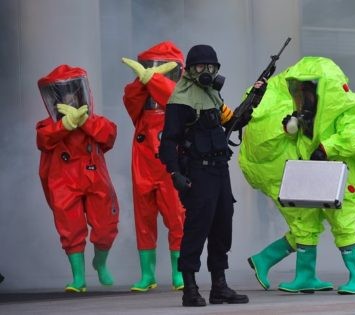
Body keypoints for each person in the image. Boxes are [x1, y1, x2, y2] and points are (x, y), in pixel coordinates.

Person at [240, 56, 355, 294]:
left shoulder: (345, 111)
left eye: (305, 91)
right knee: (306, 221)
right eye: (298, 92)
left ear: (321, 90)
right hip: (315, 177)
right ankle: (304, 276)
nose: (301, 98)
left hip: (342, 179)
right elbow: (300, 143)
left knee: (344, 226)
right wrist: (288, 129)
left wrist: (327, 148)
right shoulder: (307, 117)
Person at [159, 44, 259, 306]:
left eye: (211, 67)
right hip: (197, 171)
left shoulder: (214, 96)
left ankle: (219, 286)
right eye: (201, 67)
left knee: (222, 225)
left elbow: (232, 122)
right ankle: (190, 288)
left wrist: (254, 100)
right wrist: (174, 173)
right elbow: (167, 142)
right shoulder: (180, 101)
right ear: (189, 70)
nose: (207, 71)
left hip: (219, 170)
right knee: (196, 228)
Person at [36, 64, 120, 292]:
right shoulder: (47, 126)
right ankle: (79, 277)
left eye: (73, 94)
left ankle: (100, 262)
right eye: (63, 95)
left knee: (105, 227)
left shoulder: (96, 121)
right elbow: (43, 140)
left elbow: (109, 136)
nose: (70, 100)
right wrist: (64, 125)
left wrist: (85, 122)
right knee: (70, 229)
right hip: (64, 182)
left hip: (95, 179)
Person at [121, 41, 186, 292]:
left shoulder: (181, 94)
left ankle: (179, 272)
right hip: (144, 164)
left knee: (177, 217)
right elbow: (130, 100)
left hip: (170, 164)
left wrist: (153, 79)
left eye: (160, 68)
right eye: (150, 67)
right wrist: (143, 79)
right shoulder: (140, 94)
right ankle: (147, 274)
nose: (154, 72)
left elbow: (175, 100)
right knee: (144, 219)